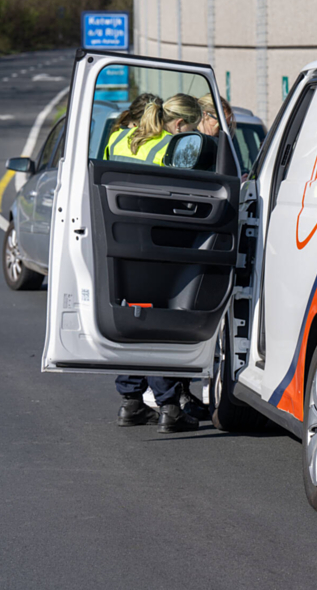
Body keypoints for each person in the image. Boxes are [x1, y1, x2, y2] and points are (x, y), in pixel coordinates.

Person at [106, 93, 206, 433]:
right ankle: (169, 408)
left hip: (119, 243)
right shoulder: (170, 147)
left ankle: (131, 402)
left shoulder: (118, 137)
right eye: (190, 128)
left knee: (134, 318)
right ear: (179, 124)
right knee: (159, 325)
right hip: (158, 244)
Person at [104, 93, 201, 165]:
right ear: (178, 124)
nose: (194, 133)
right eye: (193, 129)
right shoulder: (174, 150)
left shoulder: (117, 137)